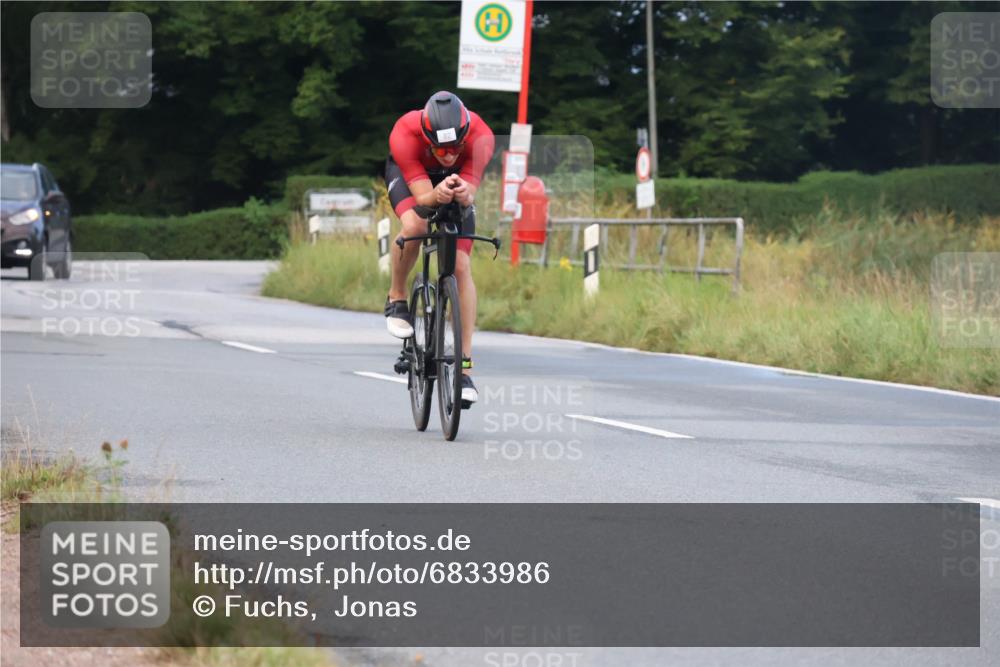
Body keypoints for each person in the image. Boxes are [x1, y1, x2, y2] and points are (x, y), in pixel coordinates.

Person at [384, 91, 495, 405]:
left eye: (455, 148)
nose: (448, 155)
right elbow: (423, 199)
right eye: (442, 149)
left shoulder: (481, 135)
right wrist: (437, 193)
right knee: (415, 227)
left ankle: (464, 369)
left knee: (461, 266)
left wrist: (462, 192)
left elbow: (470, 192)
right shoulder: (405, 133)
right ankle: (397, 297)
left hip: (454, 183)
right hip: (412, 177)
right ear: (427, 137)